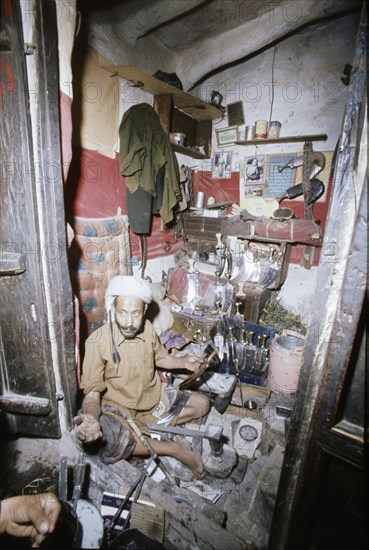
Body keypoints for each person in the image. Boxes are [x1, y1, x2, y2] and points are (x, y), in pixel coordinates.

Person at [74, 276, 210, 479]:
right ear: (113, 309)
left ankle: (145, 432)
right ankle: (175, 449)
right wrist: (92, 418)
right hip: (119, 408)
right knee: (112, 441)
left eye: (135, 313)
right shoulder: (97, 342)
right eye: (122, 313)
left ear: (144, 311)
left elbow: (160, 358)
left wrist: (183, 362)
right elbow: (92, 395)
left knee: (202, 405)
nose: (129, 322)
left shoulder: (146, 328)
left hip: (151, 397)